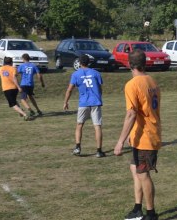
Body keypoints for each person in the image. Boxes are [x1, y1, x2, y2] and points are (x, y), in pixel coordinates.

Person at [114, 49, 161, 220]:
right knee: (136, 171)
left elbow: (131, 113)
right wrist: (130, 134)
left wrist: (119, 142)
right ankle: (137, 208)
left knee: (143, 173)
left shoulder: (132, 84)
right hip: (140, 135)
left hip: (147, 137)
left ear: (129, 64)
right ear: (145, 62)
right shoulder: (151, 80)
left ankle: (151, 214)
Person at [64, 54, 105, 158]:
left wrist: (66, 102)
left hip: (83, 103)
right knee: (97, 126)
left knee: (79, 125)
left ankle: (77, 147)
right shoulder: (96, 73)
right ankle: (99, 151)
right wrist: (99, 96)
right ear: (89, 62)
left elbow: (69, 89)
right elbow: (100, 88)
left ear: (79, 63)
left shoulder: (76, 74)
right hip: (95, 102)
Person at [0, 57, 33, 121]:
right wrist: (18, 87)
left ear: (4, 62)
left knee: (13, 104)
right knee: (14, 101)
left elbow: (0, 75)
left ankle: (25, 115)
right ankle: (20, 111)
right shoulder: (14, 69)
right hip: (14, 88)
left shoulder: (0, 69)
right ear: (11, 62)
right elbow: (15, 77)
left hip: (6, 88)